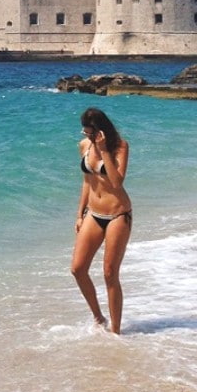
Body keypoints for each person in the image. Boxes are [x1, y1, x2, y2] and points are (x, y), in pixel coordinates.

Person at [71, 106, 132, 334]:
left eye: (90, 133)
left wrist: (104, 150)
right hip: (93, 214)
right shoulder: (84, 147)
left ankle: (116, 332)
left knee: (109, 273)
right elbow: (87, 182)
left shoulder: (120, 147)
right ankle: (98, 318)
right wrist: (79, 214)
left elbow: (117, 182)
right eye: (85, 133)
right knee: (77, 269)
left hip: (118, 214)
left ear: (101, 130)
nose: (87, 136)